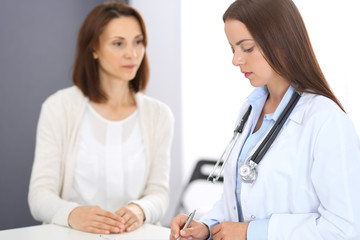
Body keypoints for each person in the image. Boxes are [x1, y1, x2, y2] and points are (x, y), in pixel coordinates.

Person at [170, 0, 360, 239]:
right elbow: (239, 199)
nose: (236, 60)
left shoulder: (326, 121)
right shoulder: (250, 110)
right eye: (233, 49)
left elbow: (345, 229)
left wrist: (253, 232)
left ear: (280, 42)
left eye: (246, 48)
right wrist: (206, 226)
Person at [28, 0, 174, 235]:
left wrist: (141, 209)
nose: (132, 54)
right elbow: (39, 195)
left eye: (138, 42)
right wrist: (72, 214)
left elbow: (159, 192)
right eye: (118, 44)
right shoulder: (59, 108)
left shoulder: (158, 115)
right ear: (94, 49)